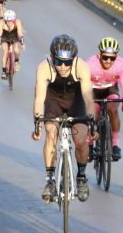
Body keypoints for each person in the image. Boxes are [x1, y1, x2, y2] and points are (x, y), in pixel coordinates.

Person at [32, 35, 96, 203]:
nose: (62, 66)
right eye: (58, 61)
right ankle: (50, 180)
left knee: (80, 141)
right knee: (51, 134)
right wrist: (38, 124)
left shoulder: (82, 67)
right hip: (53, 100)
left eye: (67, 63)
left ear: (73, 59)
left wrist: (92, 124)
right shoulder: (44, 67)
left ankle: (81, 177)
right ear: (52, 57)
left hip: (76, 101)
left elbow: (89, 99)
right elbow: (39, 99)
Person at [85, 37, 123, 161]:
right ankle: (89, 144)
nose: (108, 61)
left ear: (117, 56)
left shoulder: (121, 65)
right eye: (105, 57)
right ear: (99, 55)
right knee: (93, 114)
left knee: (113, 109)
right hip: (93, 90)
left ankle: (115, 145)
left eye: (112, 58)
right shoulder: (90, 64)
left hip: (110, 89)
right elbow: (82, 86)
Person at [0, 10, 24, 79]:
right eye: (8, 21)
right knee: (5, 52)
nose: (9, 22)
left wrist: (22, 43)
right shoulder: (1, 22)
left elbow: (20, 32)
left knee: (16, 50)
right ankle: (3, 71)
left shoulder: (17, 21)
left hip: (14, 37)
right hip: (4, 37)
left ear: (14, 19)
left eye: (11, 21)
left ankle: (17, 61)